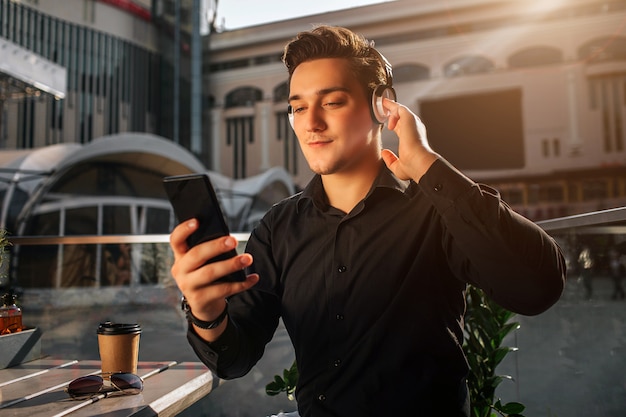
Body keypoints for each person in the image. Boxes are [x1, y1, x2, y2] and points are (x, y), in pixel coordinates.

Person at [169, 25, 566, 417]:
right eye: (299, 107)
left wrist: (426, 163)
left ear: (381, 106)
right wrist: (208, 315)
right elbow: (234, 360)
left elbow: (537, 287)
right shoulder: (278, 228)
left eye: (333, 102)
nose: (311, 123)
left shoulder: (435, 211)